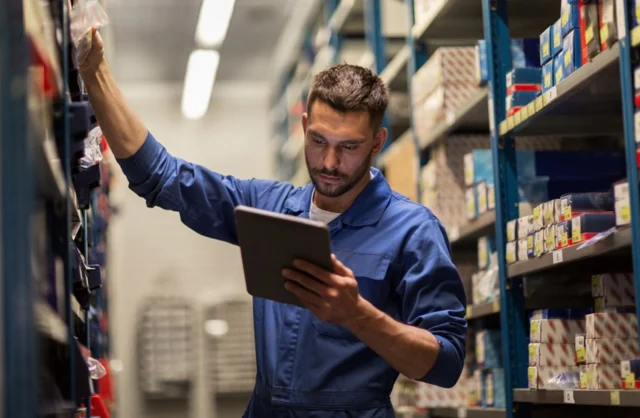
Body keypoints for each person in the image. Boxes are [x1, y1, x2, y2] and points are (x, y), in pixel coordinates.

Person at [78, 28, 467, 417]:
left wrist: (358, 314)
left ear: (378, 142)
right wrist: (95, 72)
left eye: (349, 147)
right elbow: (162, 177)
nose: (329, 162)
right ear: (302, 126)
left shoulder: (413, 230)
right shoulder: (268, 207)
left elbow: (445, 364)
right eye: (317, 141)